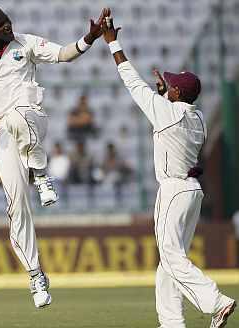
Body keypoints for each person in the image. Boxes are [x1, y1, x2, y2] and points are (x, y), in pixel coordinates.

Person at [0, 4, 110, 308]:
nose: (7, 27)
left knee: (19, 114)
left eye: (7, 21)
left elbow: (64, 54)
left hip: (32, 119)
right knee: (16, 204)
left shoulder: (27, 43)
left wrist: (88, 39)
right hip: (2, 133)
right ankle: (36, 274)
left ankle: (40, 172)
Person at [101, 17, 236, 328]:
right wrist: (166, 95)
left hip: (174, 190)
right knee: (168, 263)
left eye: (172, 86)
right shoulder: (199, 118)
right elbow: (175, 113)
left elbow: (132, 82)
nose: (168, 86)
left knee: (172, 258)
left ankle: (216, 302)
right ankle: (172, 323)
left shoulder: (168, 113)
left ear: (176, 93)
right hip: (193, 193)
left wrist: (112, 42)